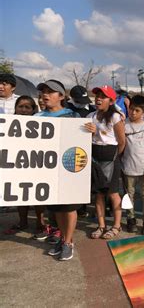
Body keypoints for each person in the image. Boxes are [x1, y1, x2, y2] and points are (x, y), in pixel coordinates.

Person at [36, 79, 81, 261]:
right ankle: (63, 238)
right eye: (43, 91)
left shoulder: (73, 117)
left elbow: (82, 143)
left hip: (68, 170)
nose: (45, 95)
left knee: (69, 207)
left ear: (61, 96)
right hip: (49, 172)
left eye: (50, 91)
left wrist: (90, 131)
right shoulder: (37, 119)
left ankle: (69, 242)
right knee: (57, 209)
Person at [85, 85, 125, 239]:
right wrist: (90, 134)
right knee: (99, 194)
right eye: (97, 96)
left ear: (111, 100)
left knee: (113, 193)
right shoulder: (90, 116)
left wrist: (115, 157)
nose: (99, 99)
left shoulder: (115, 117)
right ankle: (101, 225)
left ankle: (116, 225)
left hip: (111, 155)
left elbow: (122, 142)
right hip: (95, 155)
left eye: (103, 96)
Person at [4, 96, 46, 236]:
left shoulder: (41, 122)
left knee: (38, 196)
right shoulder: (6, 124)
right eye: (20, 106)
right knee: (21, 195)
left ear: (33, 109)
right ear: (15, 108)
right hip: (16, 166)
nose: (23, 110)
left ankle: (41, 223)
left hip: (36, 165)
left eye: (27, 107)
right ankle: (23, 222)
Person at [122, 95, 144, 235]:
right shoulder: (123, 125)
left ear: (143, 112)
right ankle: (131, 218)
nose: (133, 113)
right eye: (131, 109)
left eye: (137, 110)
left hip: (143, 168)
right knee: (129, 195)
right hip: (127, 168)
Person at [67, 85, 95, 217]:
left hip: (86, 150)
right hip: (68, 150)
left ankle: (82, 207)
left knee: (84, 180)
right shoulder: (65, 108)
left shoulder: (92, 109)